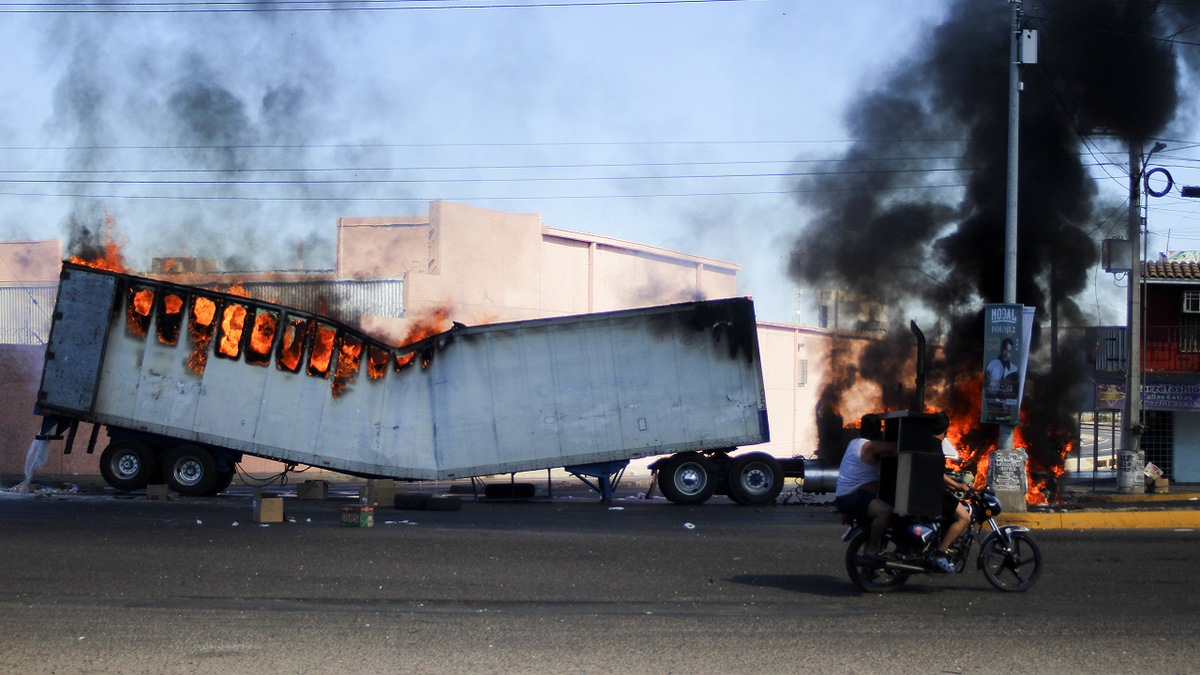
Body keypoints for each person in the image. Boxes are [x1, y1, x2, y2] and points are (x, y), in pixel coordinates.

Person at [834, 414, 896, 560]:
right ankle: (873, 549)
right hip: (852, 497)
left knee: (875, 525)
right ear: (878, 430)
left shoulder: (854, 442)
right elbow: (896, 446)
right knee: (885, 512)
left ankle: (867, 573)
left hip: (848, 496)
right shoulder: (870, 446)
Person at [930, 412, 971, 573]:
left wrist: (953, 486)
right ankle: (939, 554)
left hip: (931, 491)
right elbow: (936, 473)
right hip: (934, 494)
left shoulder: (928, 443)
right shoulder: (934, 446)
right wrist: (957, 485)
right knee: (964, 517)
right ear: (945, 430)